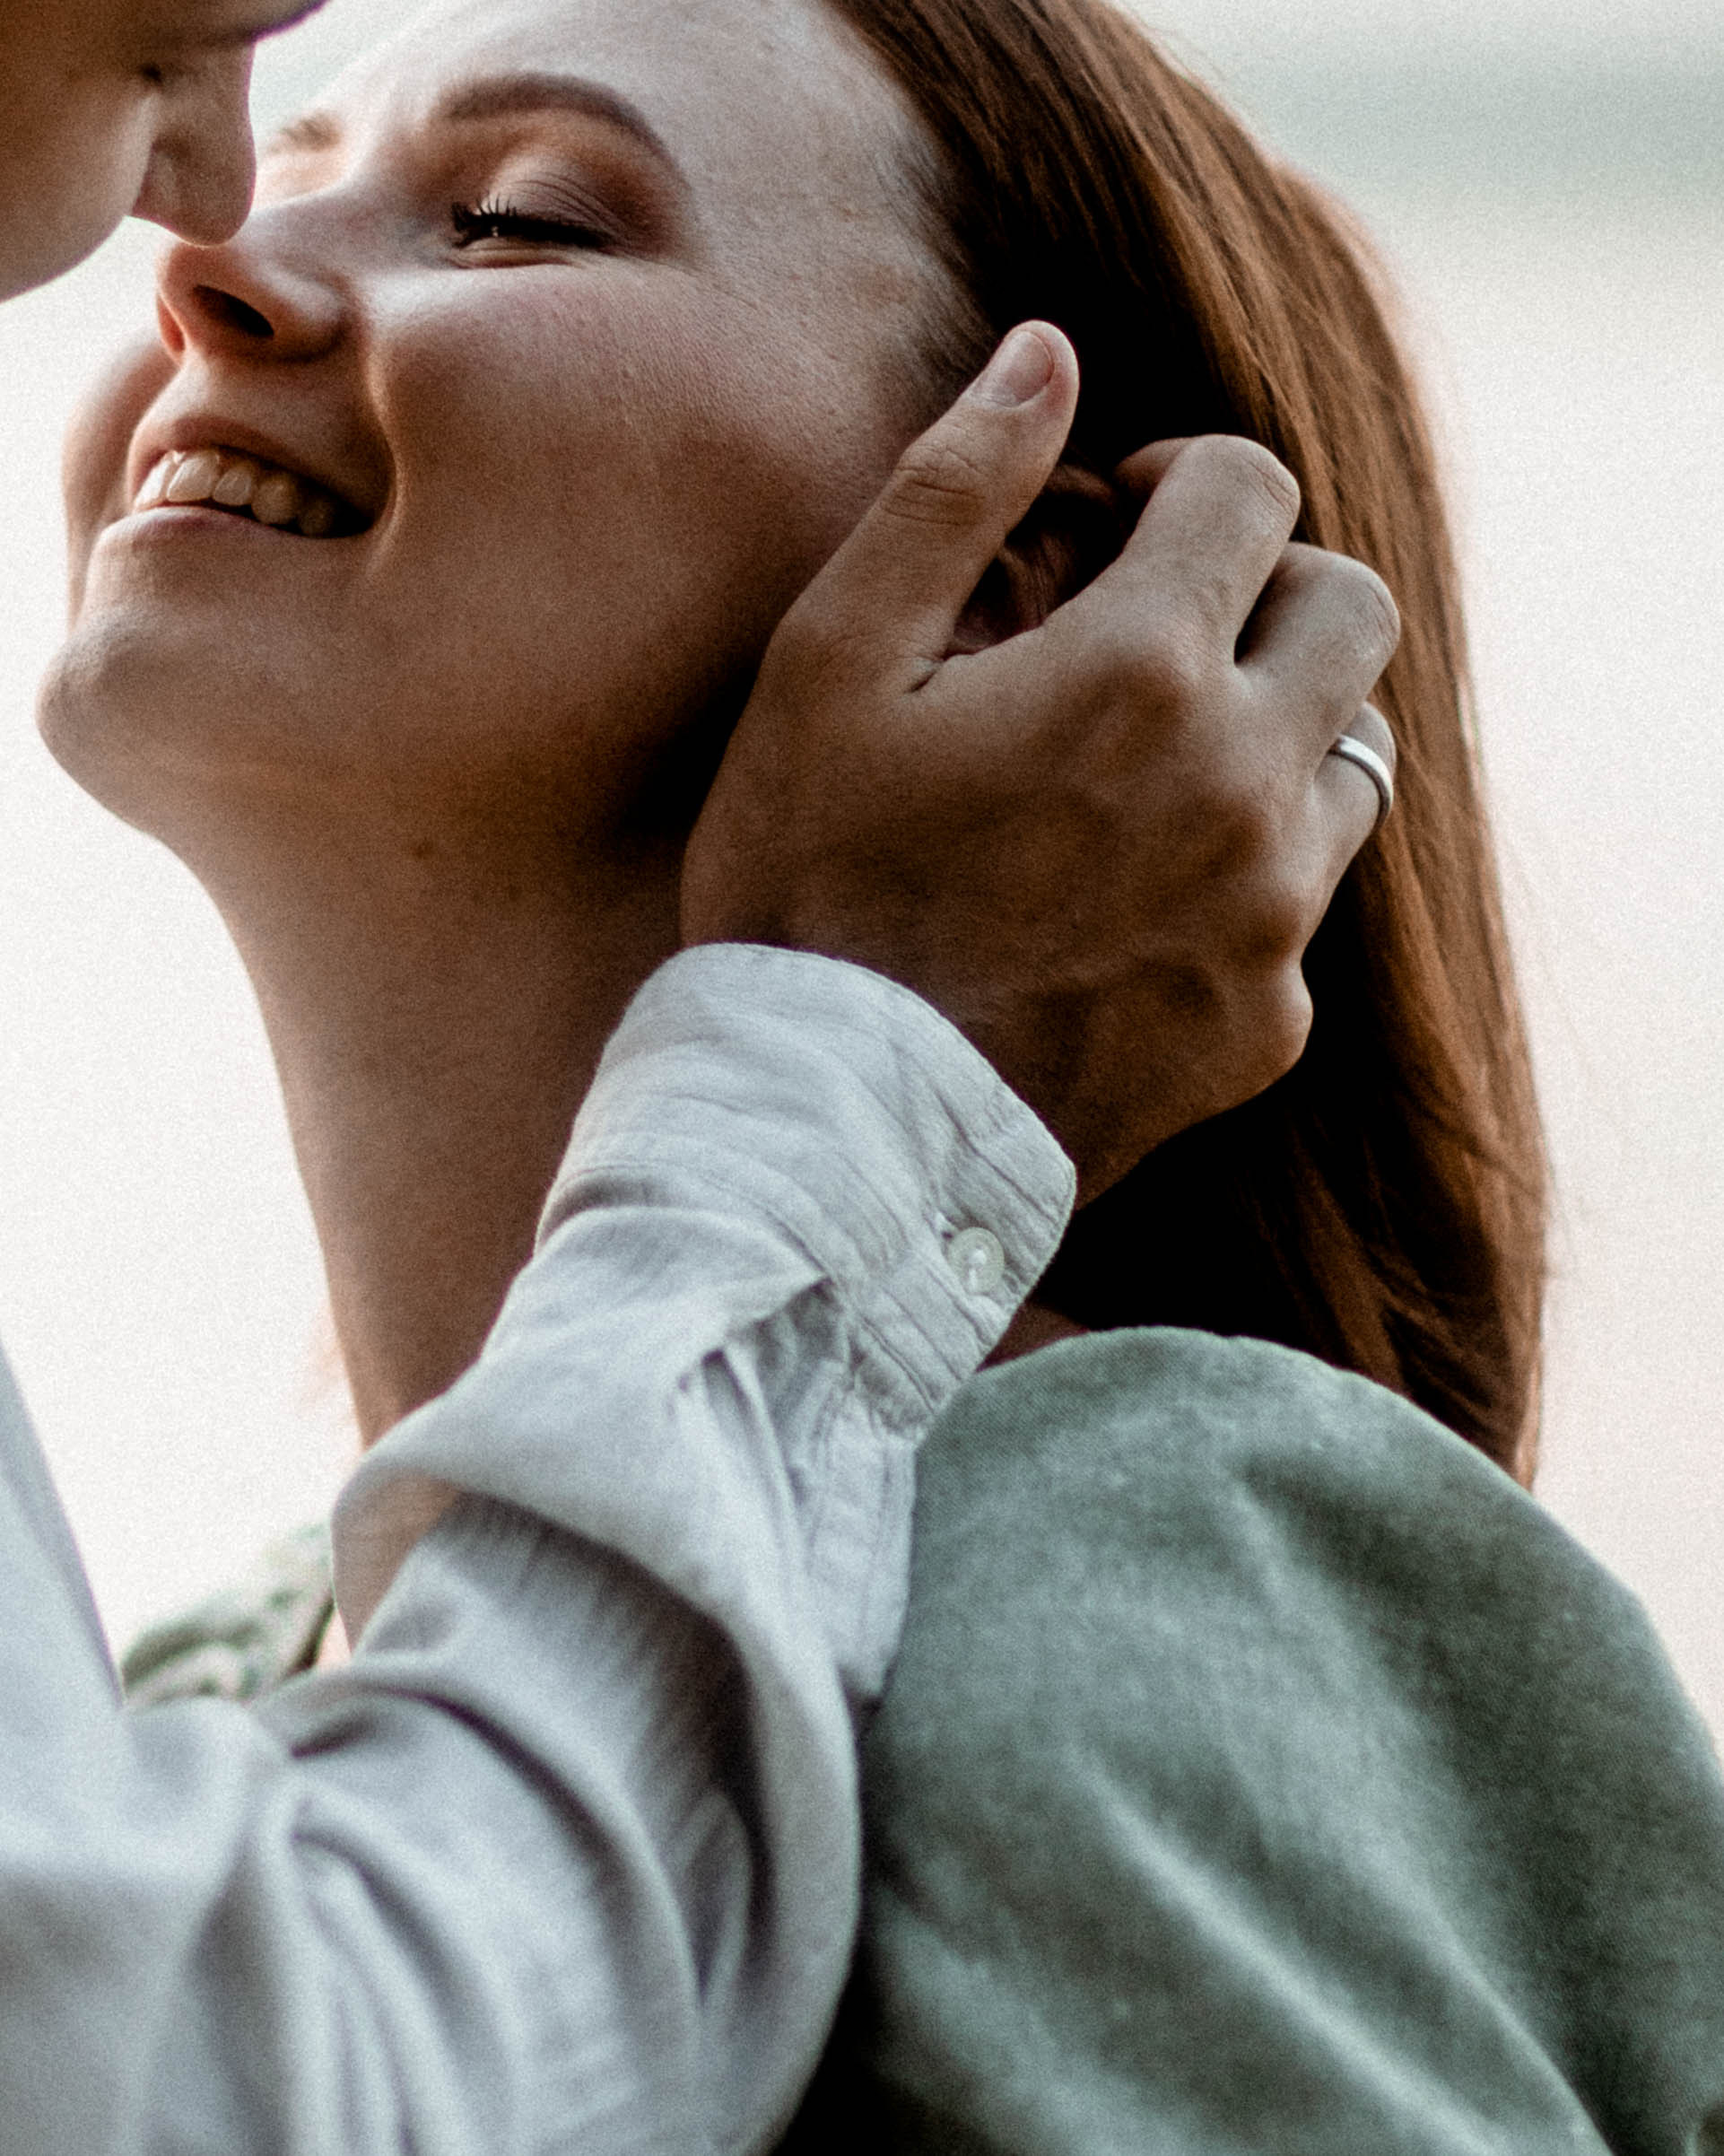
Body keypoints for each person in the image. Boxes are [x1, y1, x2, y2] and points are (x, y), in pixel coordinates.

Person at [43, 0, 1724, 2144]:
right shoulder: (203, 1688)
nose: (205, 262)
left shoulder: (1121, 1544)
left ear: (1037, 601)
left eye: (513, 219)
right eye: (288, 174)